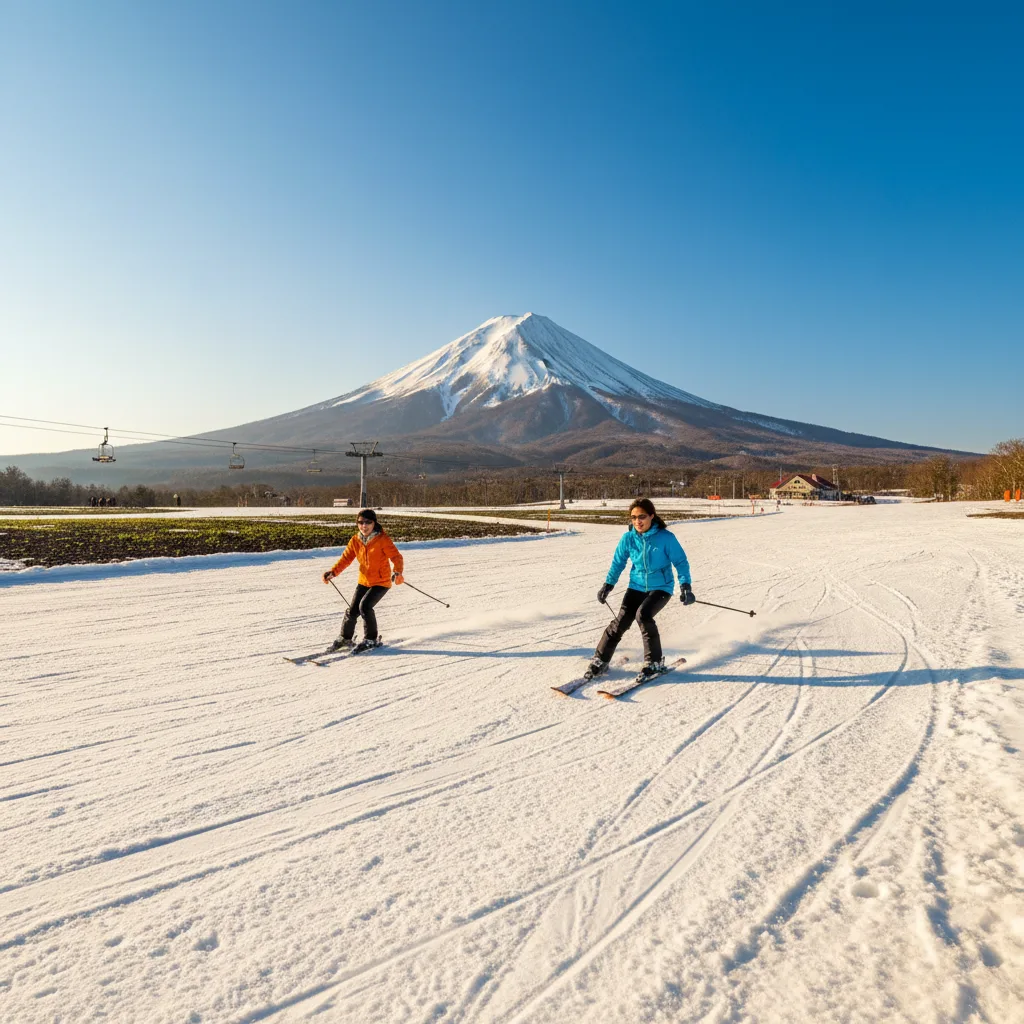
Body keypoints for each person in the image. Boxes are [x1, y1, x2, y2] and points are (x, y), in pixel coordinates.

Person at [585, 497, 694, 683]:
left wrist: (685, 586)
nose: (637, 521)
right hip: (636, 586)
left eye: (641, 516)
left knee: (643, 615)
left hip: (661, 586)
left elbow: (680, 562)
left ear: (652, 516)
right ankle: (600, 660)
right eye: (633, 517)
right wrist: (608, 585)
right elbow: (618, 562)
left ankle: (654, 662)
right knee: (621, 621)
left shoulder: (666, 538)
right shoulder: (628, 538)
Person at [322, 509, 405, 652]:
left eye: (368, 522)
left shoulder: (382, 539)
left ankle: (371, 639)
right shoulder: (356, 540)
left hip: (381, 581)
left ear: (374, 523)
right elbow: (346, 559)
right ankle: (345, 638)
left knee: (365, 607)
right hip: (364, 580)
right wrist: (333, 572)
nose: (364, 526)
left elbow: (396, 557)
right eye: (360, 522)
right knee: (353, 610)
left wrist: (397, 571)